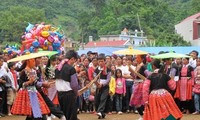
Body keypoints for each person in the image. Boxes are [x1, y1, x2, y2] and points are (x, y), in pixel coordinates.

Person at [55, 50, 79, 120]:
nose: (74, 62)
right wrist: (76, 93)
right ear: (72, 59)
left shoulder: (58, 68)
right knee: (71, 116)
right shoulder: (71, 69)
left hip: (60, 95)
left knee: (65, 115)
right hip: (69, 95)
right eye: (74, 60)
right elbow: (74, 85)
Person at [94, 54, 111, 119]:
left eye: (102, 61)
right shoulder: (96, 70)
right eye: (99, 61)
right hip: (98, 87)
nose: (100, 63)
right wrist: (97, 84)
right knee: (96, 100)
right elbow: (95, 78)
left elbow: (108, 79)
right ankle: (102, 113)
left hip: (105, 87)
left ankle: (100, 111)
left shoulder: (108, 70)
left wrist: (102, 84)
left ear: (104, 61)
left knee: (103, 99)